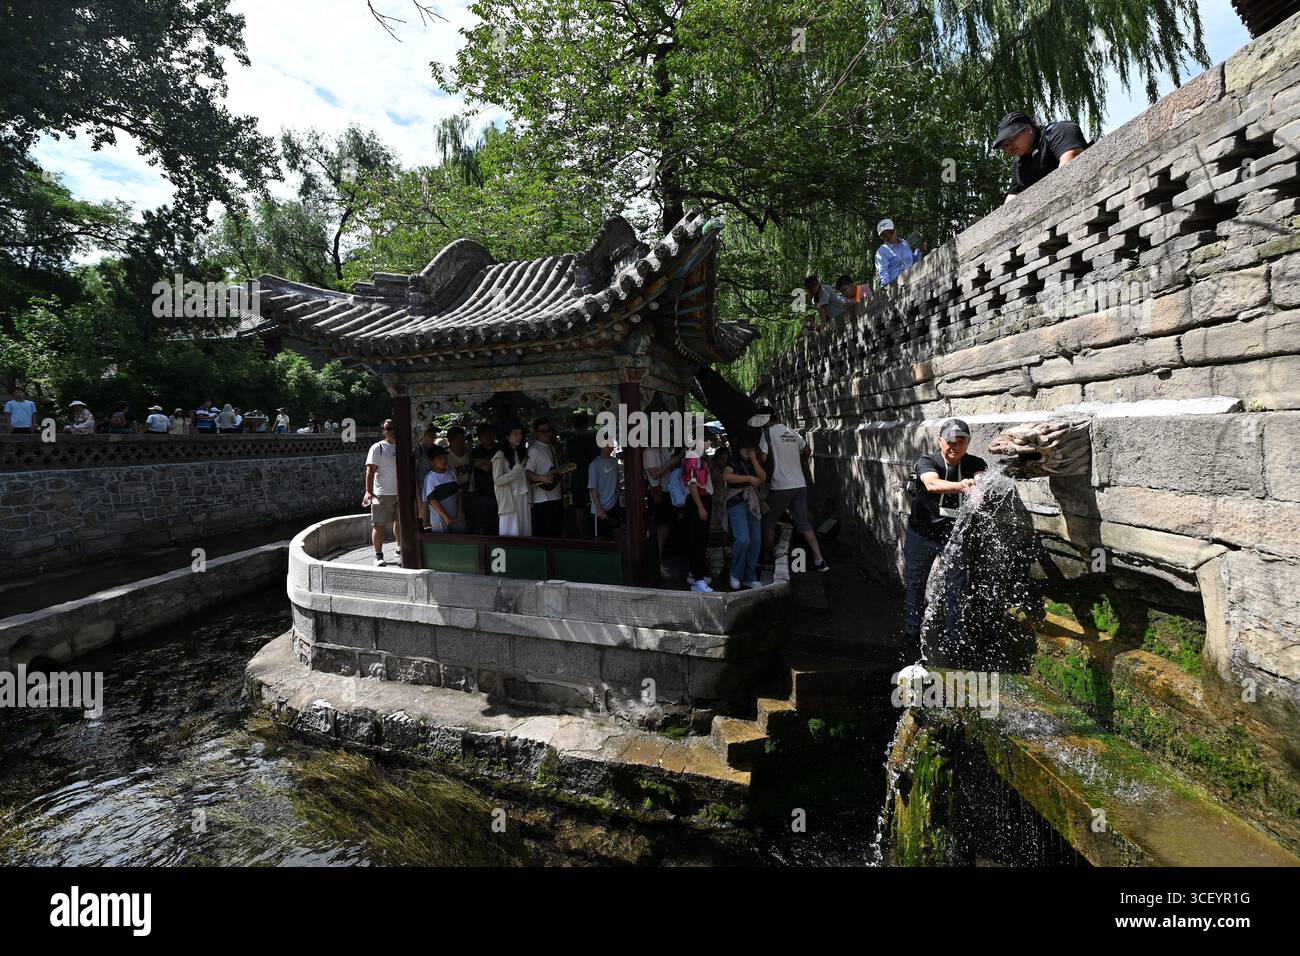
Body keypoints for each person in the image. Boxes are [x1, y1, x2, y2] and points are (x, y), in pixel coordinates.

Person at [902, 418, 988, 661]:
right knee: (915, 582)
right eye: (950, 441)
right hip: (922, 533)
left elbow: (982, 478)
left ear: (968, 442)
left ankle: (955, 638)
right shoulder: (927, 461)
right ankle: (911, 631)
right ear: (940, 441)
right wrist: (962, 486)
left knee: (956, 589)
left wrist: (979, 484)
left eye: (961, 441)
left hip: (955, 537)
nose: (955, 446)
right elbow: (931, 483)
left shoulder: (975, 463)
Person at [755, 406, 829, 573]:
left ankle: (767, 559)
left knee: (768, 521)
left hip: (781, 485)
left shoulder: (766, 434)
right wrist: (802, 462)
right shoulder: (791, 431)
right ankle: (820, 560)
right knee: (804, 523)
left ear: (766, 420)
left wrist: (757, 457)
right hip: (799, 484)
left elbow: (763, 459)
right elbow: (807, 450)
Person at [994, 111, 1088, 203]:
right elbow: (1012, 199)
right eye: (1005, 146)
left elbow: (1070, 165)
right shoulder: (1018, 163)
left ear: (1028, 129)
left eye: (1011, 140)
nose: (1009, 147)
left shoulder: (1058, 131)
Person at [722, 443, 766, 590]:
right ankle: (735, 574)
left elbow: (762, 478)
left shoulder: (756, 460)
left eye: (751, 448)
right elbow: (726, 476)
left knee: (756, 540)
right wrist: (748, 478)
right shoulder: (733, 460)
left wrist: (754, 460)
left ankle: (749, 576)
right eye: (746, 447)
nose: (748, 450)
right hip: (736, 502)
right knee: (742, 539)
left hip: (753, 503)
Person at [364, 419, 402, 566]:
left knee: (400, 523)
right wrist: (369, 491)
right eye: (388, 428)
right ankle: (378, 556)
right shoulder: (377, 447)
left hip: (401, 493)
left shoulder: (403, 446)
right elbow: (370, 471)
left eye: (393, 428)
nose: (391, 431)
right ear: (383, 431)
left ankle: (399, 550)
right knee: (378, 525)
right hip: (381, 493)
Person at [643, 442, 682, 579]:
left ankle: (658, 563)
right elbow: (654, 475)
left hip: (667, 492)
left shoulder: (663, 449)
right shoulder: (649, 452)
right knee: (659, 531)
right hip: (658, 494)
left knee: (664, 530)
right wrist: (671, 462)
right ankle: (656, 564)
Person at [683, 440, 714, 592]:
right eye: (706, 439)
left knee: (701, 539)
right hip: (698, 499)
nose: (709, 442)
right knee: (698, 540)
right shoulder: (692, 457)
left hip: (703, 498)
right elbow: (692, 484)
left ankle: (694, 572)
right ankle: (698, 580)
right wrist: (700, 506)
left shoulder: (700, 457)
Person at [525, 416, 565, 538]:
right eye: (543, 431)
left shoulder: (552, 447)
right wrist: (543, 479)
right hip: (542, 500)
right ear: (536, 433)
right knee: (544, 534)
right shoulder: (534, 450)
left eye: (549, 430)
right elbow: (528, 473)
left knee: (557, 531)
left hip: (556, 496)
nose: (547, 433)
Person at [493, 421, 532, 537]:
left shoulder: (521, 452)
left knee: (524, 529)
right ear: (507, 436)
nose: (519, 436)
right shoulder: (499, 456)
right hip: (509, 499)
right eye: (515, 434)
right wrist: (516, 471)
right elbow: (498, 481)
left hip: (523, 496)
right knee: (511, 531)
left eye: (520, 434)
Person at [564, 412, 598, 538]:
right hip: (593, 478)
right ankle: (595, 533)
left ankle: (584, 535)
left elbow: (568, 463)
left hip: (577, 479)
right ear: (587, 425)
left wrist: (566, 481)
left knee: (579, 508)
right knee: (596, 505)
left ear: (574, 426)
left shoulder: (571, 442)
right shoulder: (592, 440)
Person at [422, 444, 463, 533]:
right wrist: (445, 516)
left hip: (456, 517)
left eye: (444, 457)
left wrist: (460, 511)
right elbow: (433, 501)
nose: (443, 460)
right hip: (440, 519)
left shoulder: (451, 474)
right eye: (439, 458)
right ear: (432, 462)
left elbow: (458, 494)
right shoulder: (431, 478)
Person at [588, 437, 623, 539]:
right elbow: (593, 488)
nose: (610, 446)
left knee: (615, 534)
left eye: (611, 443)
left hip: (614, 504)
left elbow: (617, 481)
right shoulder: (594, 465)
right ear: (600, 445)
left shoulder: (614, 462)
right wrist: (598, 508)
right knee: (600, 538)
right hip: (600, 507)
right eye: (607, 444)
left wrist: (620, 494)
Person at [469, 423, 499, 535]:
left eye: (490, 434)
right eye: (485, 435)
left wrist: (487, 462)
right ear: (480, 437)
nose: (489, 437)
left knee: (500, 524)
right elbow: (485, 468)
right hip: (483, 494)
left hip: (499, 492)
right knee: (486, 525)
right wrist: (495, 463)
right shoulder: (476, 451)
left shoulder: (499, 449)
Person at [875, 219, 914, 286]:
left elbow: (912, 261)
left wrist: (919, 251)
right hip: (896, 288)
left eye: (890, 232)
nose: (888, 236)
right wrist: (887, 289)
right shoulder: (881, 251)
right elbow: (883, 272)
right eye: (884, 235)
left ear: (895, 229)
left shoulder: (905, 243)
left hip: (914, 280)